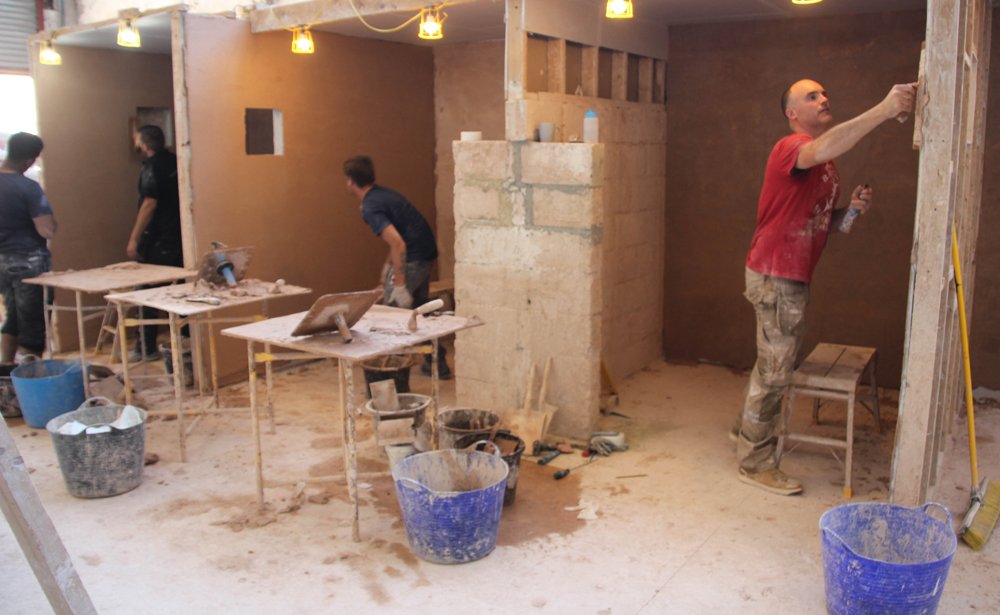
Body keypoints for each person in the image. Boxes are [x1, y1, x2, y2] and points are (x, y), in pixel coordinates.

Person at [733, 79, 915, 495]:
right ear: (792, 113)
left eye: (824, 93)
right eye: (811, 97)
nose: (823, 99)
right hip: (776, 274)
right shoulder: (791, 147)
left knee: (773, 365)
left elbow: (825, 224)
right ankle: (753, 462)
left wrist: (852, 212)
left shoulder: (826, 166)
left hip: (790, 276)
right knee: (776, 371)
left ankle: (744, 431)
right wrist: (885, 109)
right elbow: (824, 148)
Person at [343, 155, 450, 379]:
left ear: (351, 180)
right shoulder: (384, 194)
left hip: (413, 259)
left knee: (392, 321)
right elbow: (400, 236)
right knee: (421, 313)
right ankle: (437, 366)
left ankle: (392, 380)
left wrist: (399, 286)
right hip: (425, 255)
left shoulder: (369, 206)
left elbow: (398, 243)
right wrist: (387, 268)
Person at [126, 125, 183, 363]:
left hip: (159, 238)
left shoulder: (152, 167)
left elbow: (149, 203)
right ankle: (185, 346)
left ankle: (145, 348)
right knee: (181, 289)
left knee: (147, 293)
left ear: (145, 144)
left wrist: (134, 239)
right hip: (180, 236)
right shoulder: (176, 161)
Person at [0, 132, 56, 363]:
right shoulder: (28, 187)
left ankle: (5, 369)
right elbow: (46, 230)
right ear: (29, 160)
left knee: (12, 315)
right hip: (28, 261)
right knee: (33, 322)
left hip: (2, 261)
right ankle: (31, 376)